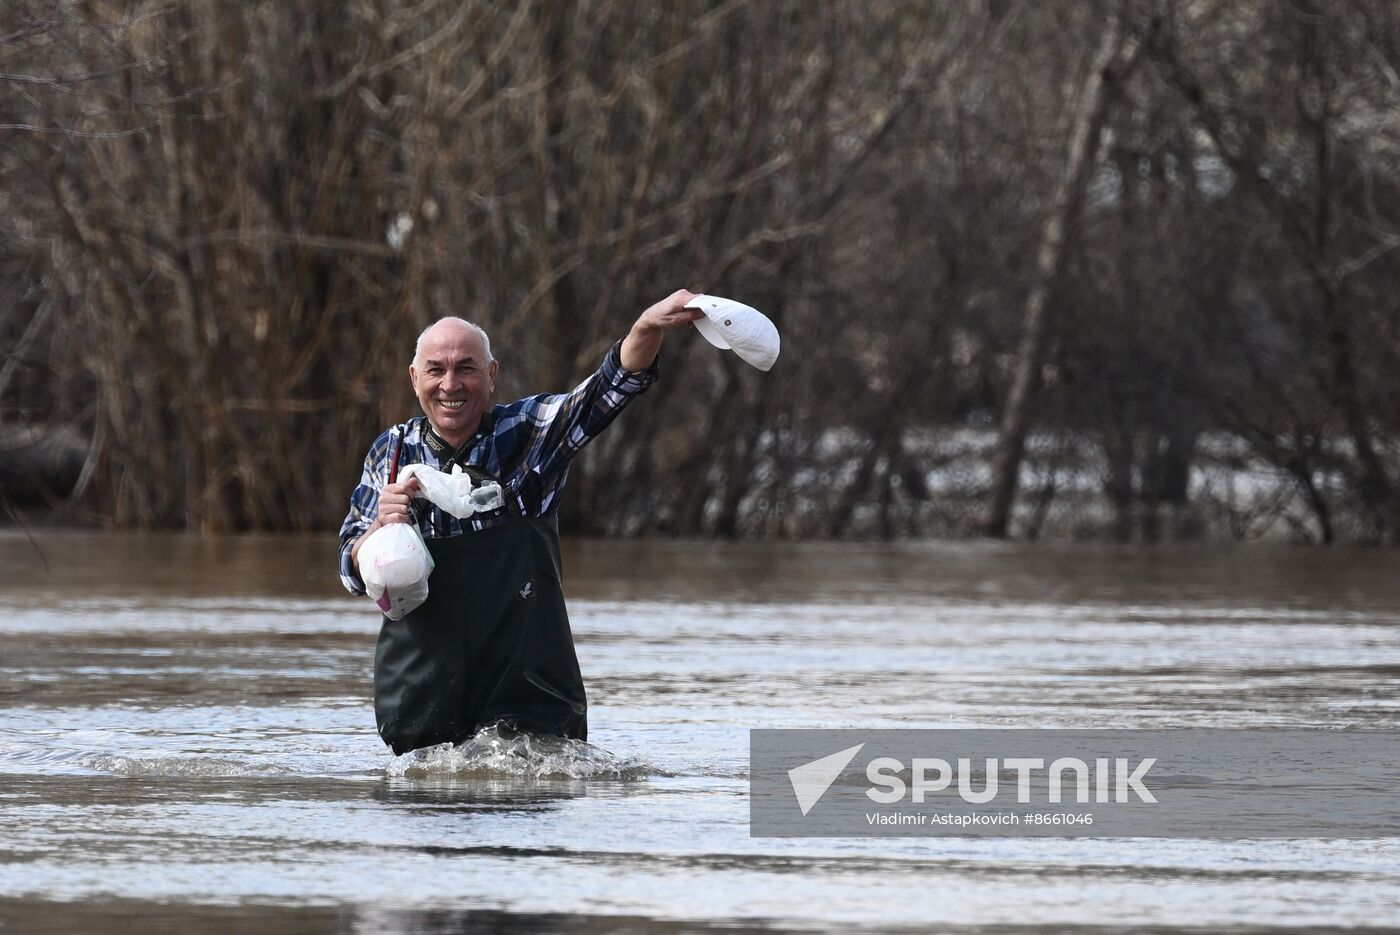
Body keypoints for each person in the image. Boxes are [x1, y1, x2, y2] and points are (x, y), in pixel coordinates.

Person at [338, 290, 703, 754]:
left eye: (467, 367)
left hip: (530, 705)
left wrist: (646, 328)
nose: (451, 384)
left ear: (491, 376)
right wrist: (377, 534)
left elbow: (610, 389)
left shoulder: (531, 433)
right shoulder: (390, 452)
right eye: (437, 369)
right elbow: (349, 573)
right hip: (421, 703)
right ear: (415, 378)